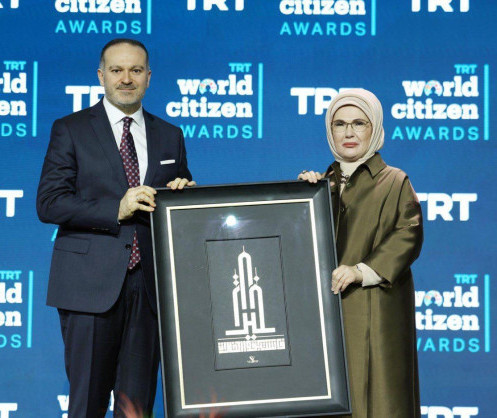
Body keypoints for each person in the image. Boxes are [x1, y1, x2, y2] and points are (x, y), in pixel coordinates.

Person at [36, 38, 195, 417]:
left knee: (136, 408)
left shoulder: (169, 134)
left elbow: (178, 197)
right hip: (88, 288)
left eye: (135, 70)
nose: (126, 79)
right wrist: (116, 209)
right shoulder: (70, 129)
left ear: (149, 77)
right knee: (86, 406)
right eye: (117, 70)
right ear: (101, 76)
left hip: (150, 291)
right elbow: (49, 202)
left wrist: (184, 194)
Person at [298, 89, 423, 417]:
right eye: (340, 124)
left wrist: (361, 271)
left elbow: (408, 234)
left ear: (375, 127)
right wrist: (299, 199)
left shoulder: (394, 181)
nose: (349, 133)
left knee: (380, 402)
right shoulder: (319, 186)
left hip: (376, 315)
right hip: (327, 321)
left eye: (359, 123)